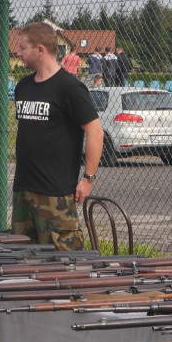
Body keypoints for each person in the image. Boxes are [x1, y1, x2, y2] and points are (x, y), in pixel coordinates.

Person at [12, 22, 104, 251]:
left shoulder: (69, 87)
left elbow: (95, 131)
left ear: (40, 50)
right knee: (21, 260)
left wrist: (88, 178)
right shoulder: (23, 87)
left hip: (56, 193)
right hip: (24, 190)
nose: (18, 52)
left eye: (23, 48)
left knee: (63, 263)